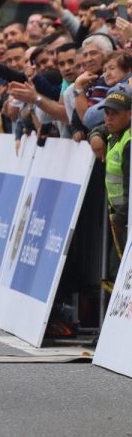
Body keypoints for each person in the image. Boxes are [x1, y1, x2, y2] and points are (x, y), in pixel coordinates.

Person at [88, 86, 131, 287]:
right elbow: (99, 128)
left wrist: (120, 218)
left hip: (125, 219)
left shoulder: (129, 141)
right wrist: (94, 135)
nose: (109, 118)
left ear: (130, 114)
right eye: (107, 113)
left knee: (119, 272)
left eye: (115, 113)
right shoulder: (115, 132)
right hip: (120, 219)